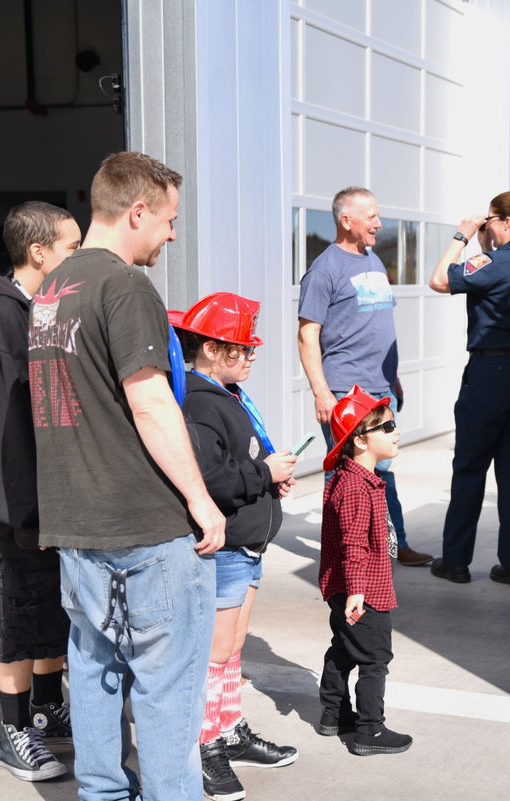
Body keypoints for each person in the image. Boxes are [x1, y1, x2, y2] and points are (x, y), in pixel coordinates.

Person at [28, 151, 227, 801]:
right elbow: (148, 399)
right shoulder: (125, 285)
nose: (172, 233)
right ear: (137, 211)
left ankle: (105, 793)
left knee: (92, 667)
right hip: (144, 522)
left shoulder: (50, 292)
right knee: (168, 681)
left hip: (78, 521)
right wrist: (202, 499)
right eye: (169, 220)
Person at [0, 201, 82, 781]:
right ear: (39, 252)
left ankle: (49, 709)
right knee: (18, 623)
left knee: (48, 617)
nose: (78, 256)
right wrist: (20, 515)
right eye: (72, 247)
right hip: (15, 514)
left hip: (42, 507)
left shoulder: (30, 310)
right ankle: (14, 732)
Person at [171, 292, 299, 801]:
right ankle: (205, 745)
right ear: (209, 349)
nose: (250, 357)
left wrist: (267, 480)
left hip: (245, 547)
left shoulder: (225, 396)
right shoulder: (202, 404)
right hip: (224, 550)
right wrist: (263, 473)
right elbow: (209, 478)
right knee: (214, 652)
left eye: (249, 349)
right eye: (241, 349)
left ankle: (228, 728)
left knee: (233, 650)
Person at [297, 186, 433, 567]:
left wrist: (395, 376)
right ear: (346, 220)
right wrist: (321, 392)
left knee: (382, 469)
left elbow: (377, 324)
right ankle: (340, 553)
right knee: (344, 474)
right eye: (371, 216)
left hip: (381, 388)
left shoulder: (371, 259)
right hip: (346, 389)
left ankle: (392, 544)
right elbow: (307, 334)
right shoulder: (324, 270)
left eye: (378, 215)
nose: (379, 223)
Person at [426, 191, 510, 591]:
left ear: (502, 221)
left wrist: (462, 237)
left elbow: (439, 280)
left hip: (492, 372)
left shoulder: (495, 261)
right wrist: (485, 243)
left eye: (489, 221)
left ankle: (456, 561)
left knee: (470, 467)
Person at [316, 386, 413, 756]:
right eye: (386, 427)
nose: (396, 432)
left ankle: (333, 715)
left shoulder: (350, 479)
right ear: (360, 440)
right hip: (364, 592)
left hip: (349, 588)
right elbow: (354, 545)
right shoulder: (356, 487)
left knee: (343, 648)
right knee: (374, 658)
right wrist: (358, 592)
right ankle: (369, 731)